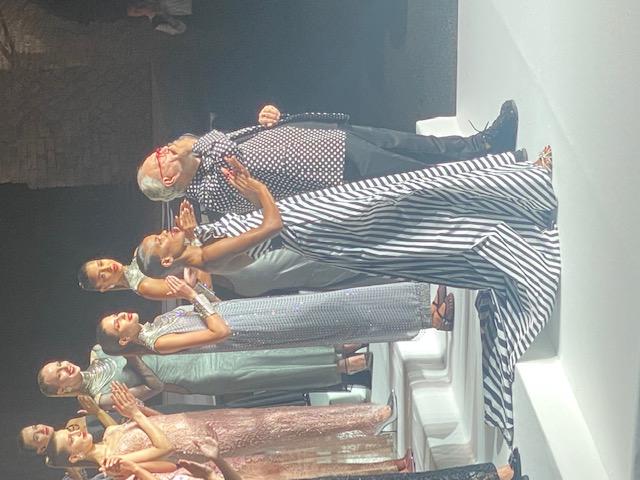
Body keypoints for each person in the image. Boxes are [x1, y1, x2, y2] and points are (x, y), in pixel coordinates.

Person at [135, 147, 559, 447]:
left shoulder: (199, 244)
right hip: (313, 225)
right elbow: (270, 226)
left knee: (403, 192)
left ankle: (514, 184)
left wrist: (195, 228)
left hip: (314, 216)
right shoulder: (207, 256)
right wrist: (257, 189)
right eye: (160, 240)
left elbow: (247, 232)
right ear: (167, 261)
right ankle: (520, 190)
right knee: (407, 199)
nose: (164, 232)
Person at [137, 102, 518, 216]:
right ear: (168, 180)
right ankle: (498, 180)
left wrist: (269, 118)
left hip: (322, 139)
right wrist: (191, 146)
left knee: (412, 145)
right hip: (328, 170)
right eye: (160, 156)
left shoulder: (203, 154)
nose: (166, 148)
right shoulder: (209, 194)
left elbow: (238, 141)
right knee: (420, 173)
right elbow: (228, 152)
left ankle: (482, 144)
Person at [46, 382, 394, 469]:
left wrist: (138, 410)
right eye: (70, 439)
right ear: (74, 458)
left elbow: (160, 425)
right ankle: (371, 417)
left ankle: (364, 419)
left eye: (70, 430)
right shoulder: (116, 462)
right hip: (206, 442)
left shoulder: (110, 433)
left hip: (196, 422)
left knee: (279, 416)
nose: (76, 432)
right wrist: (136, 416)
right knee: (282, 426)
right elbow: (165, 450)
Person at [96, 279, 449, 356]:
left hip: (251, 314)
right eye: (117, 323)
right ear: (124, 339)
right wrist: (191, 296)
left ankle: (423, 306)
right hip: (254, 327)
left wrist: (198, 290)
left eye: (115, 315)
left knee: (335, 303)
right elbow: (219, 332)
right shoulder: (158, 342)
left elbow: (217, 308)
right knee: (336, 318)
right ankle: (427, 318)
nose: (121, 315)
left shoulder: (158, 325)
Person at [38, 344, 372, 407]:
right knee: (258, 371)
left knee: (260, 350)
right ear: (62, 391)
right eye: (60, 375)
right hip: (193, 376)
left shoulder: (99, 350)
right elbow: (154, 388)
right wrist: (134, 360)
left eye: (60, 363)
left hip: (187, 350)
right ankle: (342, 368)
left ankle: (335, 347)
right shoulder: (102, 398)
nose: (65, 367)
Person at [77, 257, 214, 301]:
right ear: (105, 287)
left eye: (101, 263)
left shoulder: (138, 253)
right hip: (215, 269)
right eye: (102, 276)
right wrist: (196, 248)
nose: (108, 267)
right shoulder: (144, 287)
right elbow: (202, 292)